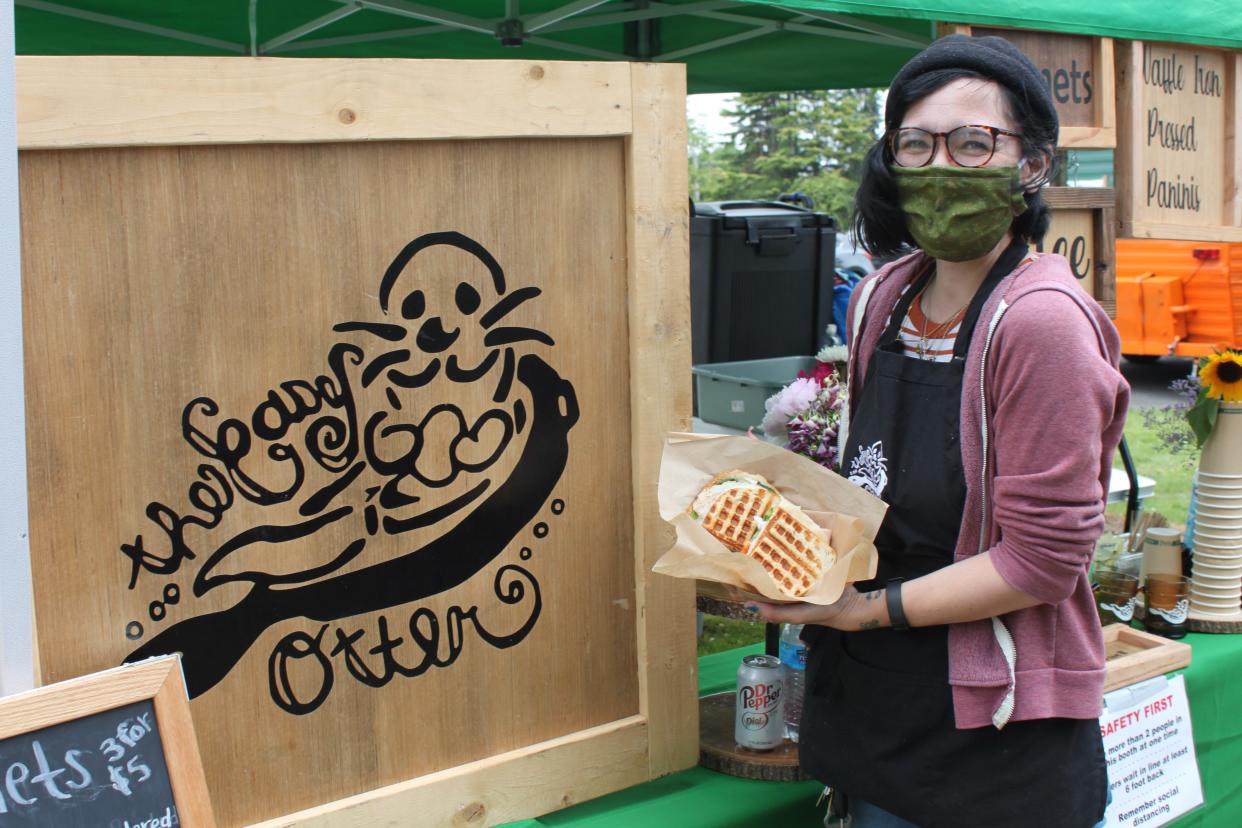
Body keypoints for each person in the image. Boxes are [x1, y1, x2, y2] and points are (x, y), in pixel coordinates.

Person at [749, 35, 1130, 827]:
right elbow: (872, 479)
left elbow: (1042, 561)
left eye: (972, 143)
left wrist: (864, 609)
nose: (941, 167)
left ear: (1032, 165)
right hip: (869, 708)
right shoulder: (882, 297)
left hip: (989, 739)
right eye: (915, 144)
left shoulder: (1040, 325)